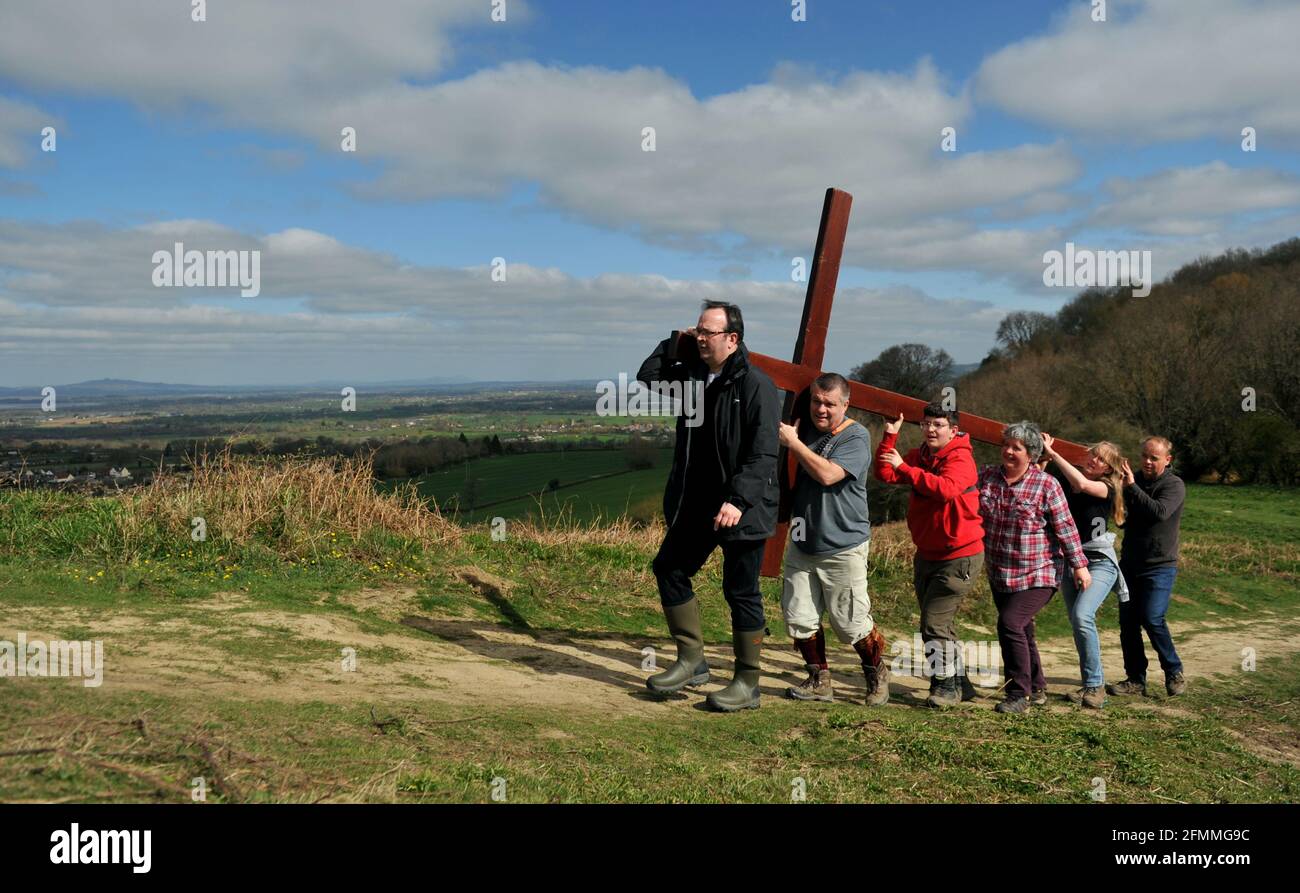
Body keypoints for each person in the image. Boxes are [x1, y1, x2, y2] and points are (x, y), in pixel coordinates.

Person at [636, 300, 779, 712]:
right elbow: (650, 375)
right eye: (698, 330)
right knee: (669, 568)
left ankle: (747, 683)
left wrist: (738, 498)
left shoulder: (756, 385)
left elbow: (763, 453)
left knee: (741, 592)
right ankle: (691, 660)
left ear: (732, 339)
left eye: (708, 332)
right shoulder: (693, 378)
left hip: (743, 509)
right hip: (697, 505)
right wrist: (673, 340)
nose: (700, 338)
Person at [777, 373, 887, 706]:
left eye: (829, 403)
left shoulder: (855, 437)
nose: (821, 409)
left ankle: (877, 672)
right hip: (802, 540)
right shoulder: (803, 426)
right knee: (798, 617)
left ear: (845, 404)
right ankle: (819, 679)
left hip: (843, 544)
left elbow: (827, 475)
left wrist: (793, 443)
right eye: (816, 401)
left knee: (851, 622)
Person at [875, 402, 985, 708]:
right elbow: (884, 472)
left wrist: (905, 469)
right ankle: (961, 682)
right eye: (926, 424)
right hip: (928, 553)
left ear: (954, 429)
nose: (930, 430)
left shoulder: (961, 458)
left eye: (938, 424)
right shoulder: (921, 456)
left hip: (959, 555)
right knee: (938, 623)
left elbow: (946, 489)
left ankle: (945, 686)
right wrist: (889, 435)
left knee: (934, 625)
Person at [977, 421, 1090, 714]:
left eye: (1017, 448)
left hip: (1040, 570)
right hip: (1000, 570)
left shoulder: (1046, 485)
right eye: (1007, 445)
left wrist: (1079, 566)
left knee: (1010, 624)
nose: (1009, 451)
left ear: (1032, 454)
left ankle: (1018, 694)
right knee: (1022, 629)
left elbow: (1065, 527)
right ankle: (1037, 687)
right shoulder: (988, 477)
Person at [1039, 434, 1130, 709]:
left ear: (1108, 469)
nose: (1094, 459)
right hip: (1071, 561)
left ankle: (1095, 687)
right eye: (1092, 454)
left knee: (1082, 615)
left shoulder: (1106, 488)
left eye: (1101, 458)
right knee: (1078, 624)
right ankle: (1088, 684)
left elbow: (1081, 483)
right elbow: (1044, 485)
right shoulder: (1068, 483)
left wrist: (1053, 453)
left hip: (1099, 562)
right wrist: (1043, 457)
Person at [1107, 436, 1187, 698]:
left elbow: (1158, 512)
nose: (1148, 462)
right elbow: (1127, 518)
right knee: (1128, 623)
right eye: (1145, 456)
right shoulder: (1134, 479)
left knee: (1152, 618)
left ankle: (1173, 671)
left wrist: (1130, 486)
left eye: (1154, 458)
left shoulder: (1174, 485)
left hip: (1160, 565)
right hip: (1130, 563)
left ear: (1167, 460)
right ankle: (1135, 679)